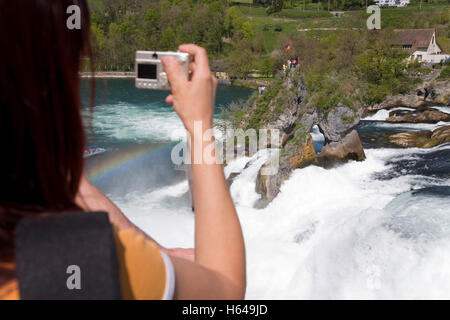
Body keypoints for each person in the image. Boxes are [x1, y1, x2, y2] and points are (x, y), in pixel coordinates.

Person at [0, 0, 245, 300]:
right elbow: (225, 291)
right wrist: (199, 127)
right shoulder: (86, 259)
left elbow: (63, 181)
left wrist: (157, 252)